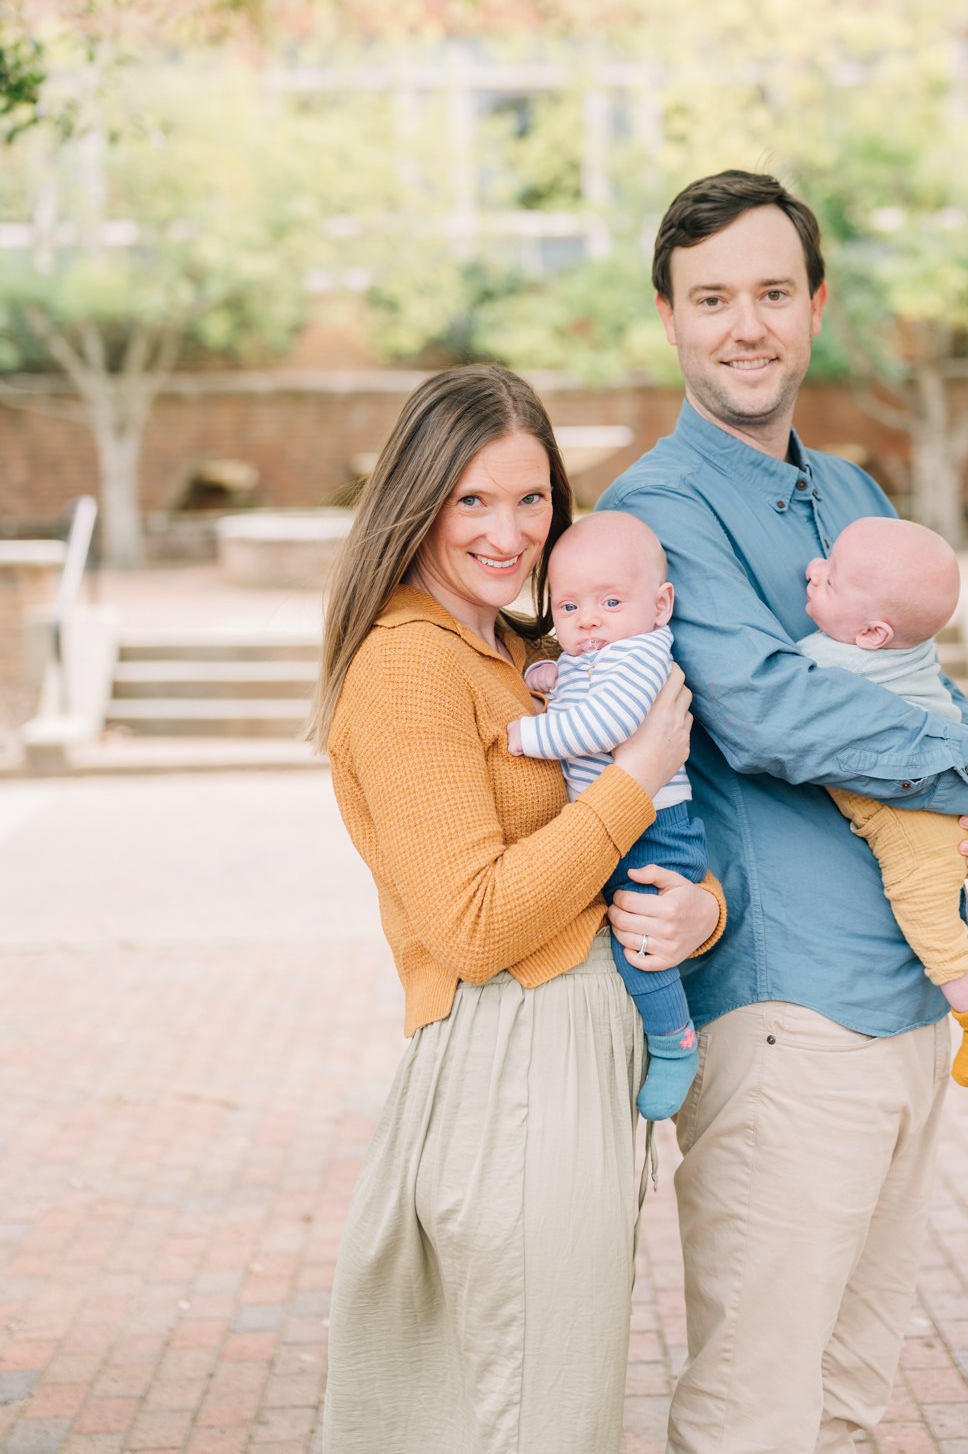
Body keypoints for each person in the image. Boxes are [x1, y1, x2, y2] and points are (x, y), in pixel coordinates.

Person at [598, 168, 968, 1454]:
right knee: (758, 1411)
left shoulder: (851, 490)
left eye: (772, 291)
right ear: (669, 317)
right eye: (712, 297)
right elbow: (769, 714)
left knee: (849, 1403)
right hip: (785, 1020)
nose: (745, 323)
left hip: (912, 1001)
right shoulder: (657, 510)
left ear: (815, 304)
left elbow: (930, 682)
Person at [310, 365, 724, 1454]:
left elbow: (646, 841)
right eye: (473, 500)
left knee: (546, 1399)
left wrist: (701, 909)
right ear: (419, 500)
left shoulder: (532, 658)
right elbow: (477, 923)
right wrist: (637, 776)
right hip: (511, 1062)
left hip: (570, 1057)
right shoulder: (408, 666)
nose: (509, 532)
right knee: (528, 1411)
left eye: (532, 498)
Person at [802, 513, 968, 1088]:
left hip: (905, 814)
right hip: (954, 772)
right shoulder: (912, 648)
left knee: (924, 908)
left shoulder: (825, 659)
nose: (811, 569)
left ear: (872, 632)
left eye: (828, 580)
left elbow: (773, 703)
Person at [507, 509, 708, 1119]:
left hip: (654, 833)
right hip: (625, 820)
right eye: (568, 608)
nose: (588, 619)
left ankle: (674, 1042)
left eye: (610, 601)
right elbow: (579, 677)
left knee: (637, 941)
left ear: (660, 603)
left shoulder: (641, 653)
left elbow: (607, 724)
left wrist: (528, 734)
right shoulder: (609, 649)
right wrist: (552, 673)